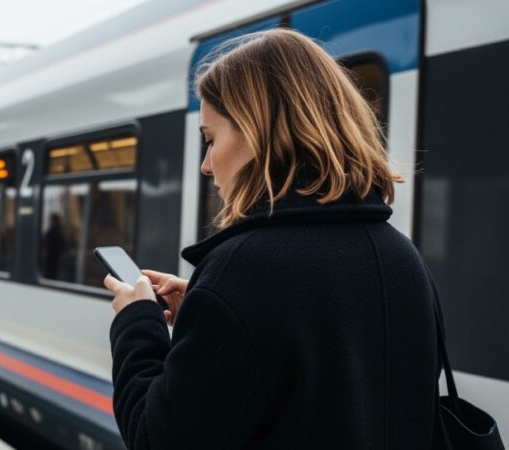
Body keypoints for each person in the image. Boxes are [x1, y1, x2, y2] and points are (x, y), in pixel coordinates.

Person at [103, 29, 438, 449]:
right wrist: (209, 307)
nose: (207, 165)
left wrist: (137, 324)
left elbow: (156, 439)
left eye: (211, 139)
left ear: (260, 132)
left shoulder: (243, 270)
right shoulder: (400, 254)